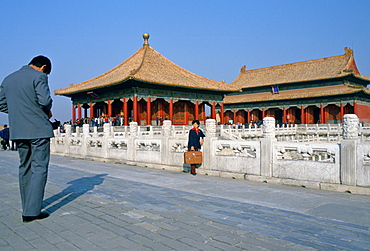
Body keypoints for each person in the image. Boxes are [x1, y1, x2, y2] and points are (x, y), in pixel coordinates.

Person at [0, 55, 54, 223]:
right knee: (39, 168)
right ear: (43, 67)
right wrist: (42, 112)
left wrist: (20, 111)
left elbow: (1, 103)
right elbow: (45, 101)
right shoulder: (39, 76)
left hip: (19, 131)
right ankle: (32, 211)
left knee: (25, 167)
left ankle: (27, 206)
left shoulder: (8, 79)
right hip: (38, 129)